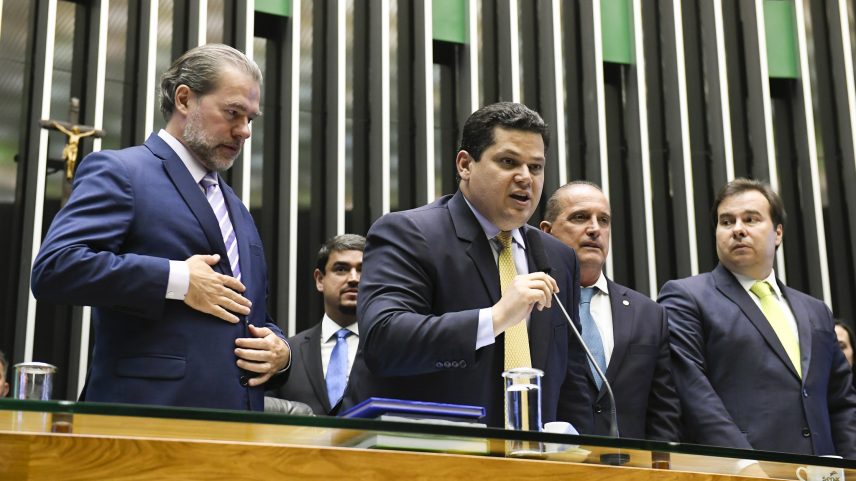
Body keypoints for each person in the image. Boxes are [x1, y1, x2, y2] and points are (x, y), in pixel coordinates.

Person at [30, 44, 290, 410]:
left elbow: (244, 309)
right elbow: (56, 268)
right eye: (233, 113)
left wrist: (280, 350)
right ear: (185, 100)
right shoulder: (121, 171)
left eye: (251, 118)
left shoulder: (237, 209)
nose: (244, 131)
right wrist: (178, 280)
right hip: (147, 416)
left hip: (237, 432)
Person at [346, 102, 592, 430]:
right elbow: (384, 341)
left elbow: (572, 379)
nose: (525, 178)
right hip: (425, 456)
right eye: (508, 162)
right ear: (465, 165)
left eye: (535, 167)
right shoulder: (409, 233)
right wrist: (496, 317)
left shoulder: (557, 256)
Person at [658, 178, 856, 457]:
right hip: (741, 471)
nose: (737, 229)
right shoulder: (687, 297)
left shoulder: (816, 311)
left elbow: (842, 402)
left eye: (750, 219)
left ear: (777, 233)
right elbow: (694, 394)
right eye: (726, 222)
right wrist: (748, 466)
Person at [540, 181, 680, 441]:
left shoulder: (649, 314)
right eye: (580, 217)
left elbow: (663, 414)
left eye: (603, 220)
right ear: (547, 232)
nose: (594, 229)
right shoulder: (530, 303)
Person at [267, 234, 366, 415]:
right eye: (341, 269)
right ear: (320, 280)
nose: (354, 278)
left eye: (362, 270)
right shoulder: (287, 354)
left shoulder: (389, 351)